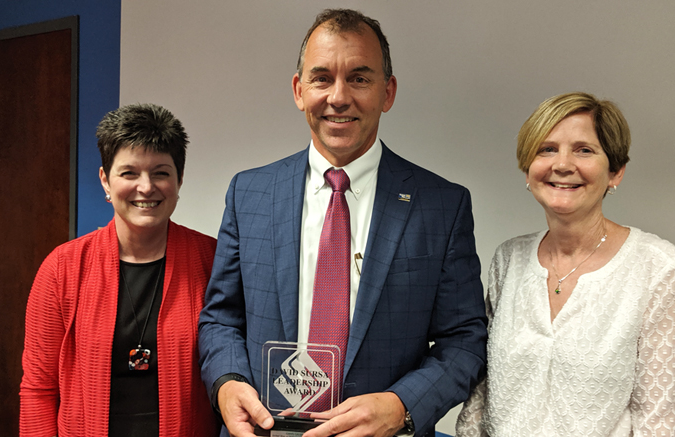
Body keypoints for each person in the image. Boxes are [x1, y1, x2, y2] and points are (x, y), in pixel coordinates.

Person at [198, 8, 487, 437]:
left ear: (387, 93)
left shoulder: (442, 205)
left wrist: (402, 406)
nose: (338, 96)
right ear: (299, 91)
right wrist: (228, 384)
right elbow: (221, 319)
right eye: (321, 78)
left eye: (359, 78)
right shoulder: (249, 193)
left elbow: (464, 340)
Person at [456, 92, 675, 436]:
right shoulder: (508, 259)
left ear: (615, 171)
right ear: (528, 169)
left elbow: (664, 424)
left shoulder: (659, 268)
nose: (562, 164)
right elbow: (482, 397)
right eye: (547, 149)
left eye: (584, 150)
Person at [20, 104, 218, 436]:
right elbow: (39, 387)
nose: (146, 187)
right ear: (106, 181)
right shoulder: (62, 268)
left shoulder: (212, 260)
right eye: (129, 173)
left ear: (179, 180)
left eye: (161, 172)